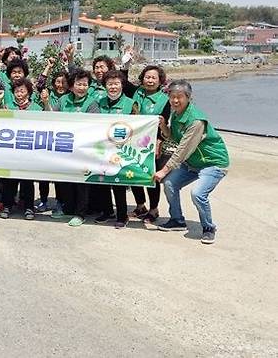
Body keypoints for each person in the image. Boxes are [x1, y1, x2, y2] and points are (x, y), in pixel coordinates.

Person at [155, 80, 229, 245]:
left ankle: (209, 228)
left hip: (213, 163)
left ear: (188, 97)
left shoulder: (196, 121)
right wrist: (164, 127)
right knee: (169, 184)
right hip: (192, 163)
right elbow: (175, 138)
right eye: (172, 97)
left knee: (198, 194)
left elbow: (182, 150)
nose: (175, 100)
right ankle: (177, 220)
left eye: (179, 97)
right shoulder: (176, 113)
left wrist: (164, 170)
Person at [95, 70, 139, 228]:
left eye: (116, 84)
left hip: (122, 149)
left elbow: (137, 127)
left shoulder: (130, 103)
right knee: (102, 180)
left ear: (122, 85)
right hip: (102, 148)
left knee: (118, 182)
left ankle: (122, 215)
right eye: (109, 84)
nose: (113, 87)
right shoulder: (99, 102)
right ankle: (107, 211)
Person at [55, 69, 99, 226]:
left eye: (85, 84)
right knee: (65, 181)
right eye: (78, 84)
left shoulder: (92, 103)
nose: (82, 87)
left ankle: (81, 213)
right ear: (71, 86)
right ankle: (68, 210)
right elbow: (52, 119)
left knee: (81, 183)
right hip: (65, 148)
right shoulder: (63, 100)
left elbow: (94, 126)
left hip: (83, 150)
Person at [0, 78, 40, 220]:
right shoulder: (8, 106)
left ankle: (29, 207)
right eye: (16, 91)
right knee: (9, 181)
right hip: (11, 151)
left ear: (29, 92)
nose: (19, 94)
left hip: (29, 151)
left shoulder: (37, 108)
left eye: (22, 91)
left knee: (27, 181)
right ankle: (7, 205)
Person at [130, 65, 171, 224]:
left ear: (160, 81)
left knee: (150, 176)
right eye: (147, 77)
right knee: (133, 174)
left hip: (153, 144)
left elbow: (164, 123)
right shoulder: (136, 93)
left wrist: (159, 143)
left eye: (154, 78)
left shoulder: (164, 100)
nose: (150, 80)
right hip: (133, 142)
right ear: (142, 79)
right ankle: (140, 206)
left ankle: (154, 209)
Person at [36, 57, 69, 212]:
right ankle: (43, 200)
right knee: (44, 173)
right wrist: (48, 67)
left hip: (63, 141)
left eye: (63, 82)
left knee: (59, 175)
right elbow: (40, 83)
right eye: (57, 82)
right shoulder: (47, 93)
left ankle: (60, 202)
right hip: (46, 138)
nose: (60, 85)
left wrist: (68, 61)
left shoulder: (70, 96)